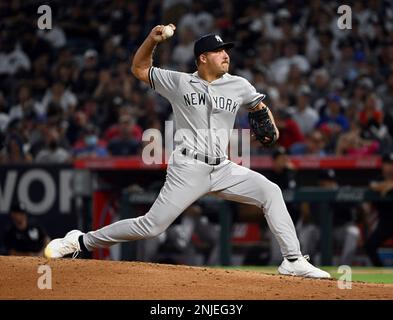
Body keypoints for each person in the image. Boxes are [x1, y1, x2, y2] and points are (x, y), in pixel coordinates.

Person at [44, 24, 330, 278]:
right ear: (203, 58)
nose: (226, 55)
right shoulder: (179, 82)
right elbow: (139, 69)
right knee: (152, 226)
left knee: (271, 191)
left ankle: (292, 260)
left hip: (223, 168)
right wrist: (152, 41)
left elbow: (258, 108)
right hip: (188, 168)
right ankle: (81, 242)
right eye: (219, 51)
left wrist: (271, 125)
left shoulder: (239, 84)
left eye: (226, 50)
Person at [365, 152, 393, 266]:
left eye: (392, 164)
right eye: (387, 164)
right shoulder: (377, 178)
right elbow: (373, 185)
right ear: (382, 165)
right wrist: (387, 185)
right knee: (370, 245)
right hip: (385, 222)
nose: (390, 167)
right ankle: (380, 269)